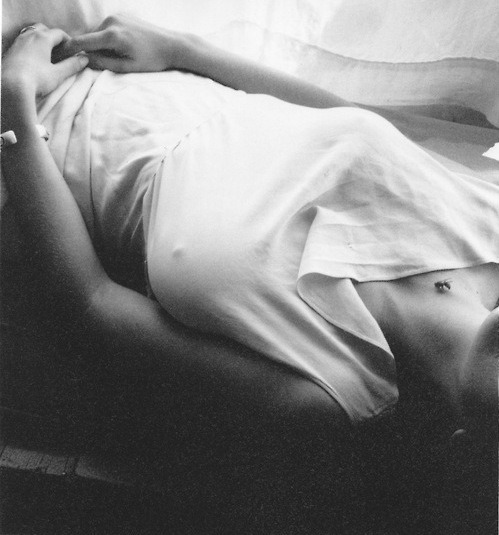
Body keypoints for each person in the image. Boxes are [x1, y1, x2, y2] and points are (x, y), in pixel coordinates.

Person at [1, 15, 497, 533]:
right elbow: (350, 120)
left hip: (35, 145)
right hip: (120, 60)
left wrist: (14, 102)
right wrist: (180, 46)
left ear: (471, 450)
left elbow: (92, 301)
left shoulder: (328, 399)